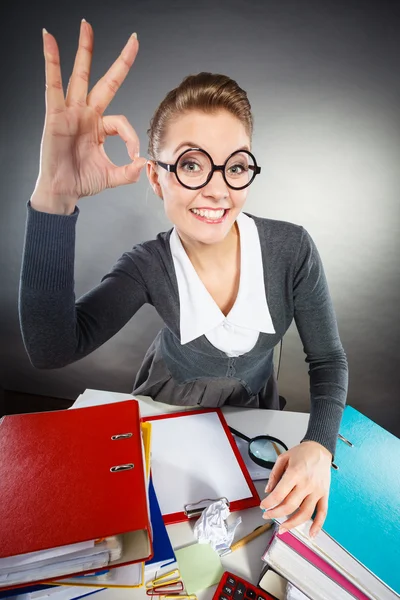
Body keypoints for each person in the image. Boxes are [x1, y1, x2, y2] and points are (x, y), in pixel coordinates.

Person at [19, 20, 348, 538]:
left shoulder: (292, 249)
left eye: (235, 166)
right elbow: (50, 349)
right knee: (164, 533)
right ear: (156, 176)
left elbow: (328, 360)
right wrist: (54, 201)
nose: (217, 190)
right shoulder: (148, 265)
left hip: (254, 407)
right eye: (192, 164)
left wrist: (320, 443)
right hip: (169, 404)